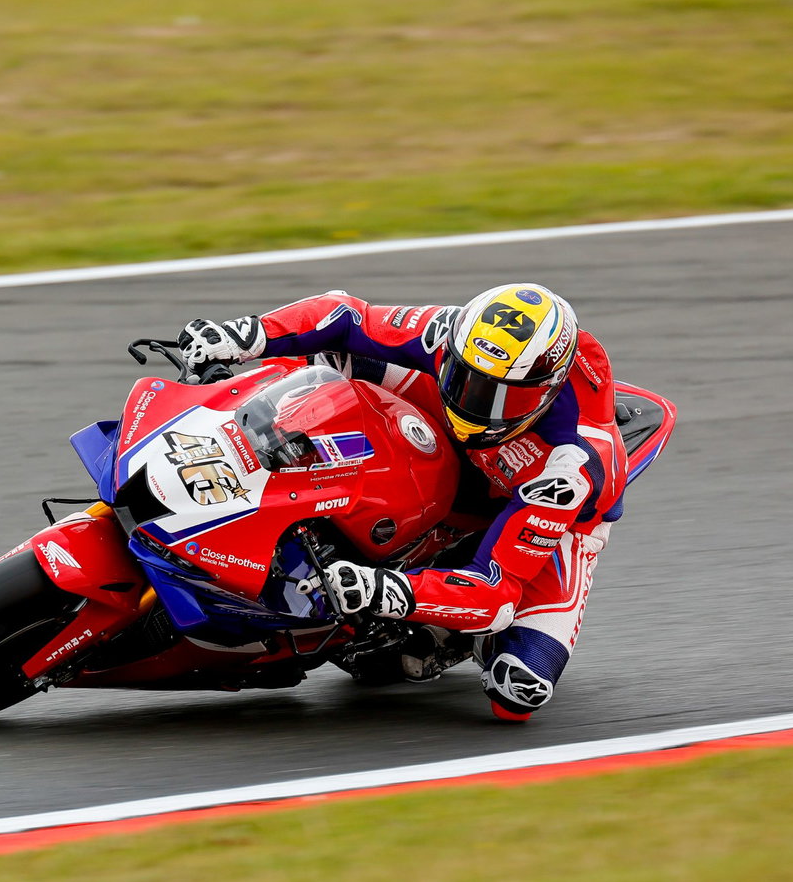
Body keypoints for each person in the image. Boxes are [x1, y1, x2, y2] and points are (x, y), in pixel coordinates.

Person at [178, 285, 625, 722]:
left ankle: (444, 629)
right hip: (453, 435)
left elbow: (497, 593)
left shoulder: (569, 470)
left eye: (499, 396)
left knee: (519, 689)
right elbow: (346, 316)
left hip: (548, 511)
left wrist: (387, 591)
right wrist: (244, 336)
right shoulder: (453, 333)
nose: (473, 401)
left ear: (544, 392)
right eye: (464, 378)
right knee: (330, 360)